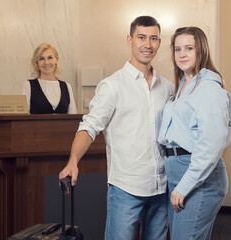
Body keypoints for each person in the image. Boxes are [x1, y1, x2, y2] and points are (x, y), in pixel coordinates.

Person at [59, 16, 174, 240]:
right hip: (126, 188)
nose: (147, 44)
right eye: (141, 37)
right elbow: (89, 126)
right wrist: (73, 161)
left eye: (153, 38)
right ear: (130, 40)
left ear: (159, 42)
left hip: (161, 186)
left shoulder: (168, 88)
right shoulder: (112, 86)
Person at [157, 26, 231, 240]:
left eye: (189, 48)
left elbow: (211, 145)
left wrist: (184, 186)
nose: (182, 54)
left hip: (197, 174)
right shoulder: (182, 86)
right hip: (177, 169)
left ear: (201, 50)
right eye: (177, 49)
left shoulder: (209, 89)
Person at [22, 43, 77, 114]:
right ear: (37, 62)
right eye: (41, 59)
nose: (46, 62)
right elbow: (23, 118)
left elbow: (73, 117)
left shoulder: (67, 86)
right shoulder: (28, 86)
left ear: (56, 60)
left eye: (50, 58)